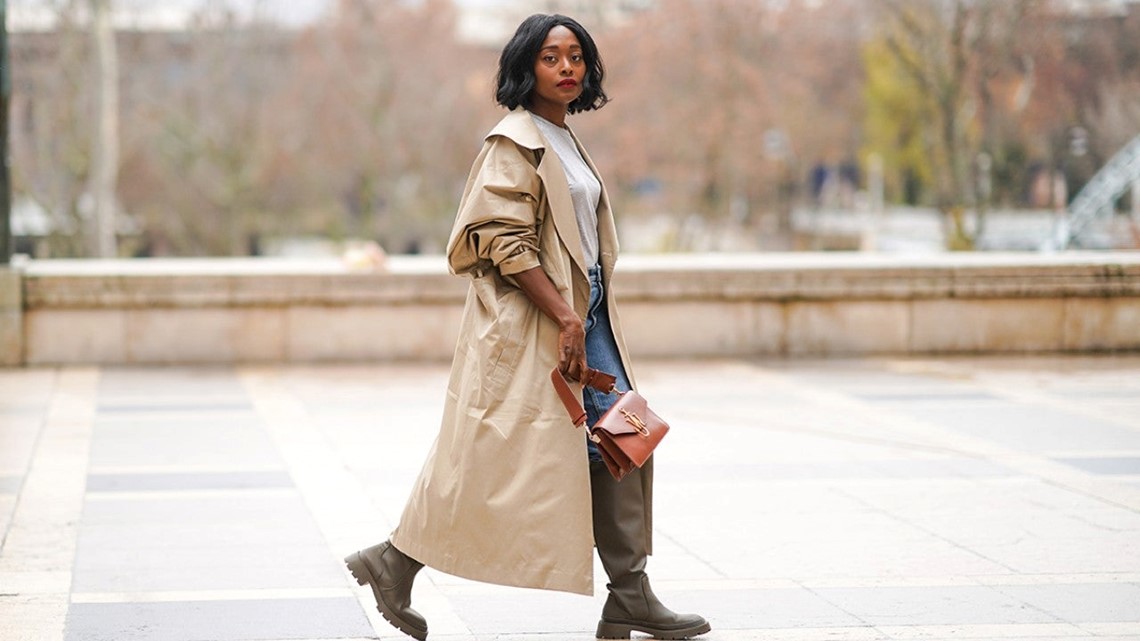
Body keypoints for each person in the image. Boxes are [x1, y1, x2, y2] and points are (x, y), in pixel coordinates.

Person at [344, 13, 710, 641]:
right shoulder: (513, 142)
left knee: (622, 442)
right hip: (538, 323)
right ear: (525, 67)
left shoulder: (561, 137)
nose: (567, 68)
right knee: (500, 456)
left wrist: (581, 313)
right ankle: (397, 560)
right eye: (551, 57)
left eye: (576, 57)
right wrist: (566, 316)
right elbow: (499, 239)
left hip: (583, 316)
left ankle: (629, 592)